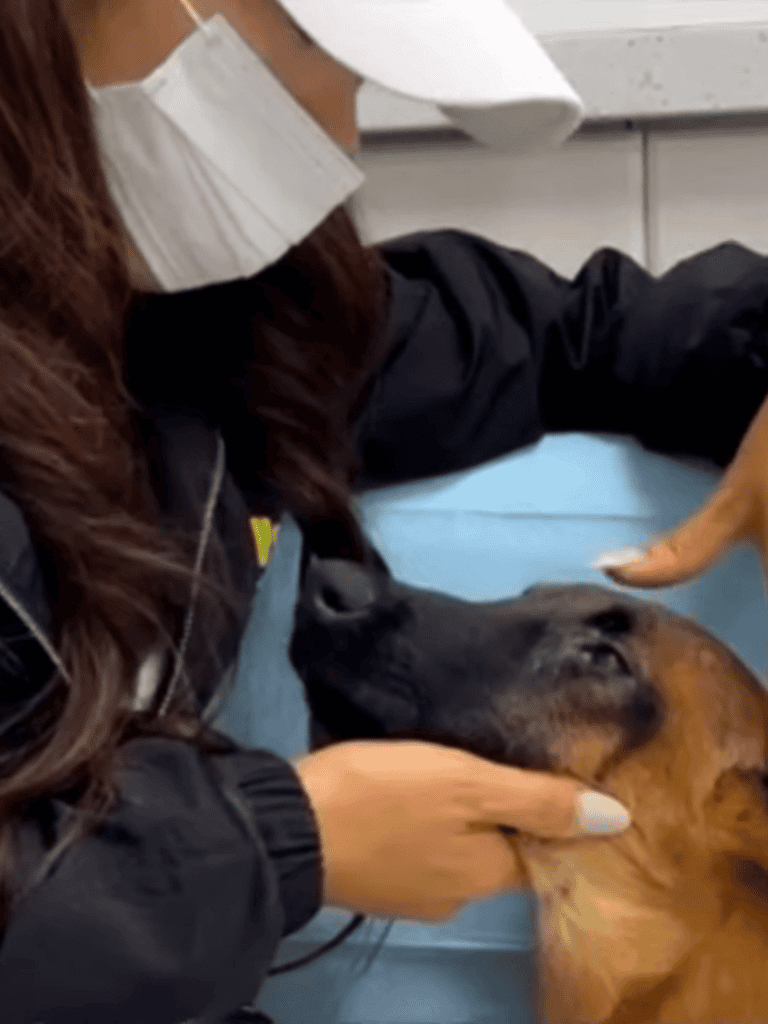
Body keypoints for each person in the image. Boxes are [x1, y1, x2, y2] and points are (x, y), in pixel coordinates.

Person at [1, 1, 767, 1022]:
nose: (342, 140)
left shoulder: (220, 328)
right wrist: (282, 843)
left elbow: (583, 335)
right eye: (315, 48)